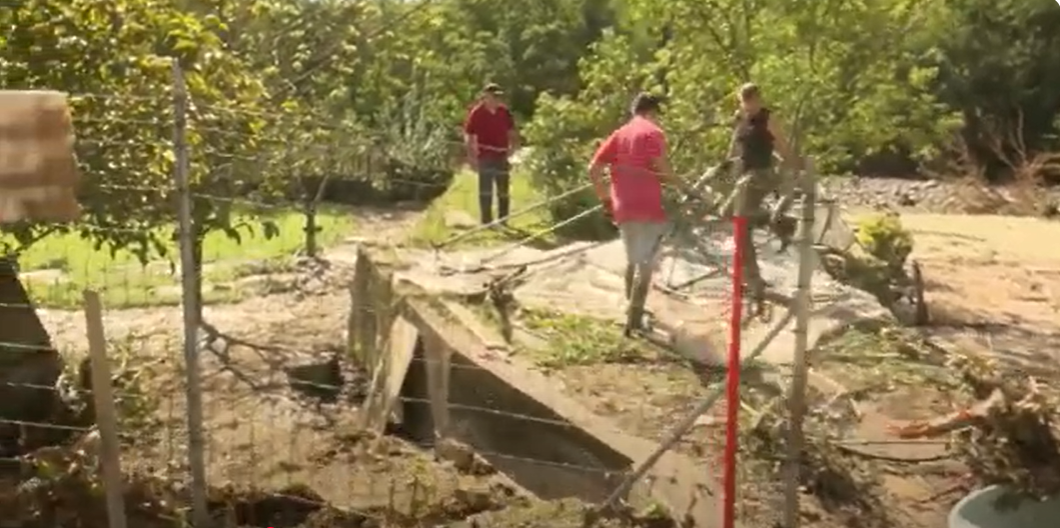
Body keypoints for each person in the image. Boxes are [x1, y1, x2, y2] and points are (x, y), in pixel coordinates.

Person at [589, 92, 695, 335]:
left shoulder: (619, 134)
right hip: (648, 207)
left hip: (622, 207)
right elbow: (662, 168)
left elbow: (593, 170)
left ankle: (630, 309)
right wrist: (685, 187)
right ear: (652, 112)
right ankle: (634, 320)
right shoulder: (653, 132)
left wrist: (606, 200)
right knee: (646, 266)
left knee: (634, 260)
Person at [723, 82, 800, 300]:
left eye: (751, 101)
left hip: (762, 175)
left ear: (758, 99)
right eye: (744, 101)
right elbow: (735, 145)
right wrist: (727, 164)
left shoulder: (768, 118)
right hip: (745, 176)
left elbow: (783, 145)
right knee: (730, 216)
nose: (747, 105)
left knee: (739, 220)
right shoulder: (742, 119)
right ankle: (774, 221)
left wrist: (794, 168)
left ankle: (754, 279)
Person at [463, 83, 519, 226]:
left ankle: (503, 219)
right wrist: (471, 156)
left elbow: (511, 131)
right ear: (486, 96)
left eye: (498, 96)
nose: (497, 99)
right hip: (485, 154)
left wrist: (513, 147)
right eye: (494, 96)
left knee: (503, 190)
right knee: (486, 190)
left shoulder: (504, 112)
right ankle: (487, 221)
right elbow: (469, 135)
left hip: (501, 154)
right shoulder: (477, 113)